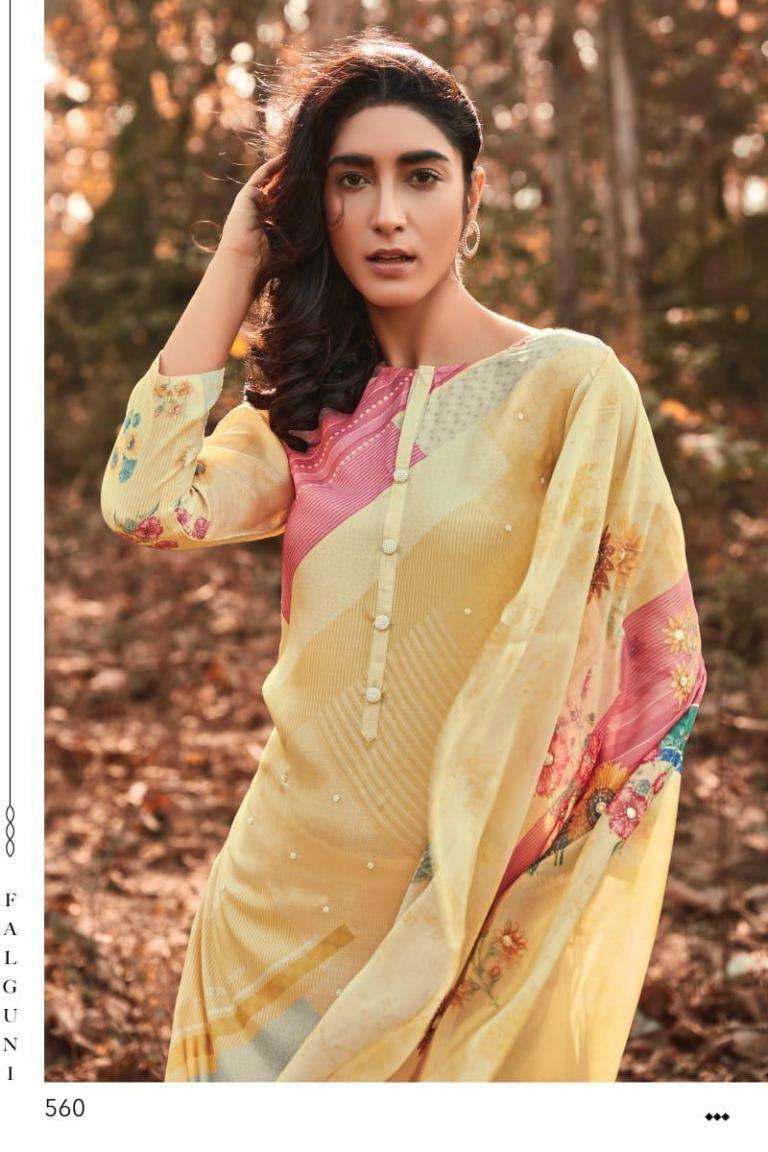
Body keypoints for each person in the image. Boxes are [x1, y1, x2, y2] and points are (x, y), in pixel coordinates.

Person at [99, 30, 707, 1082]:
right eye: (350, 180)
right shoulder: (302, 413)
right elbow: (143, 506)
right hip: (271, 915)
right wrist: (239, 253)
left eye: (421, 176)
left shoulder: (569, 389)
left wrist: (532, 866)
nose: (387, 213)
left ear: (473, 197)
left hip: (460, 915)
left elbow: (659, 664)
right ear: (314, 205)